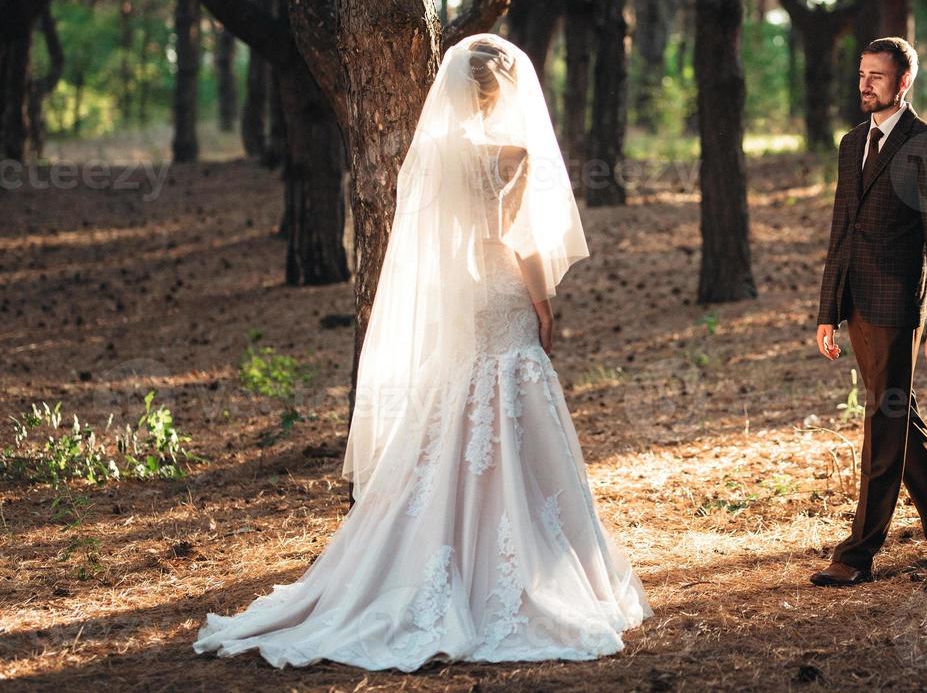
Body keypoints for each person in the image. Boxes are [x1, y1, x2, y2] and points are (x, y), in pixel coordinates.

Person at [194, 34, 651, 669]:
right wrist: (544, 305)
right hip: (503, 288)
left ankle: (433, 551)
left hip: (460, 292)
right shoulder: (512, 153)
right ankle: (521, 559)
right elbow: (518, 241)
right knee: (512, 401)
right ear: (503, 92)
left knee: (456, 401)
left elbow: (428, 238)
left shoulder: (432, 153)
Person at [811, 36, 927, 586]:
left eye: (877, 76)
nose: (865, 84)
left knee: (883, 423)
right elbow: (840, 232)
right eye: (861, 74)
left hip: (895, 306)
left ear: (903, 82)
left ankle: (858, 552)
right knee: (897, 418)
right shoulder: (850, 142)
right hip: (855, 304)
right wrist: (827, 311)